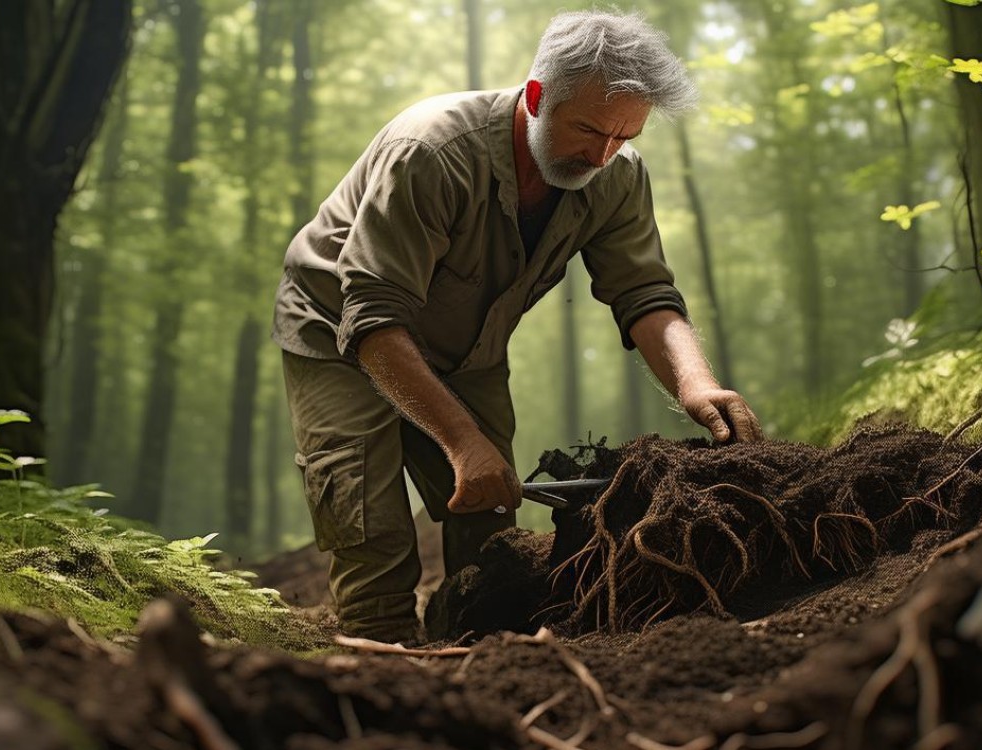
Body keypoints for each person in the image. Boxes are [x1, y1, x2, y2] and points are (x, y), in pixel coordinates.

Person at [271, 10, 763, 643]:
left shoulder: (616, 173)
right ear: (536, 97)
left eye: (624, 136)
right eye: (587, 128)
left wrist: (695, 385)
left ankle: (472, 657)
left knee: (492, 524)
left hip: (465, 348)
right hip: (337, 327)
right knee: (372, 530)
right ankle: (382, 657)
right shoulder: (431, 151)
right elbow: (374, 316)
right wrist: (460, 441)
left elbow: (643, 291)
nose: (601, 153)